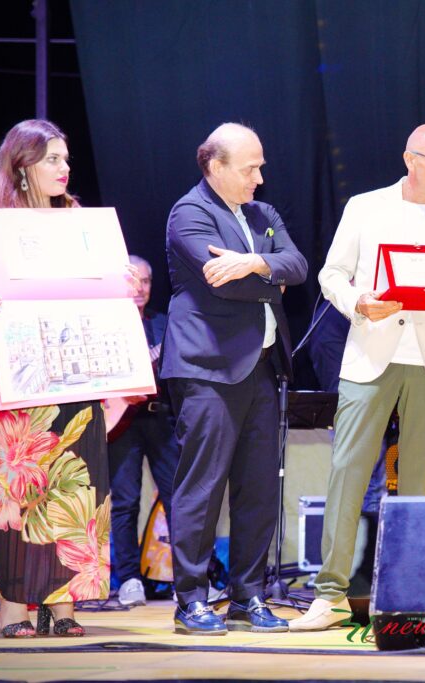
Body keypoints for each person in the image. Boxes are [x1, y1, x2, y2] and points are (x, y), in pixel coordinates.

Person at [290, 124, 425, 631]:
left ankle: (412, 593)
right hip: (371, 353)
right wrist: (360, 303)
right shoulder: (365, 206)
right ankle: (329, 594)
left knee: (420, 483)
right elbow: (331, 273)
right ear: (410, 159)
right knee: (348, 472)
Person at [0, 119, 111, 637]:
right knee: (16, 487)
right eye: (54, 158)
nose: (65, 168)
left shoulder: (74, 218)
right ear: (23, 164)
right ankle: (16, 607)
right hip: (10, 369)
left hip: (70, 367)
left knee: (73, 479)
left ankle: (65, 605)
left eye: (66, 158)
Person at [161, 123, 307, 635]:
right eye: (250, 169)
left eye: (261, 167)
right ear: (215, 167)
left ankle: (248, 596)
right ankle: (191, 600)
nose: (259, 178)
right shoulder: (190, 212)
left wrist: (254, 263)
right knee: (202, 488)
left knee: (259, 489)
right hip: (208, 369)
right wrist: (269, 277)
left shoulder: (262, 215)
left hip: (261, 368)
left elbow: (299, 265)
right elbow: (224, 287)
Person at [104, 254, 179, 607]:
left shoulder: (165, 325)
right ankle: (130, 579)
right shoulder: (104, 327)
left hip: (160, 419)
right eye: (135, 280)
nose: (141, 288)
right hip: (122, 423)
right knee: (125, 502)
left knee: (179, 499)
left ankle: (188, 578)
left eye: (147, 281)